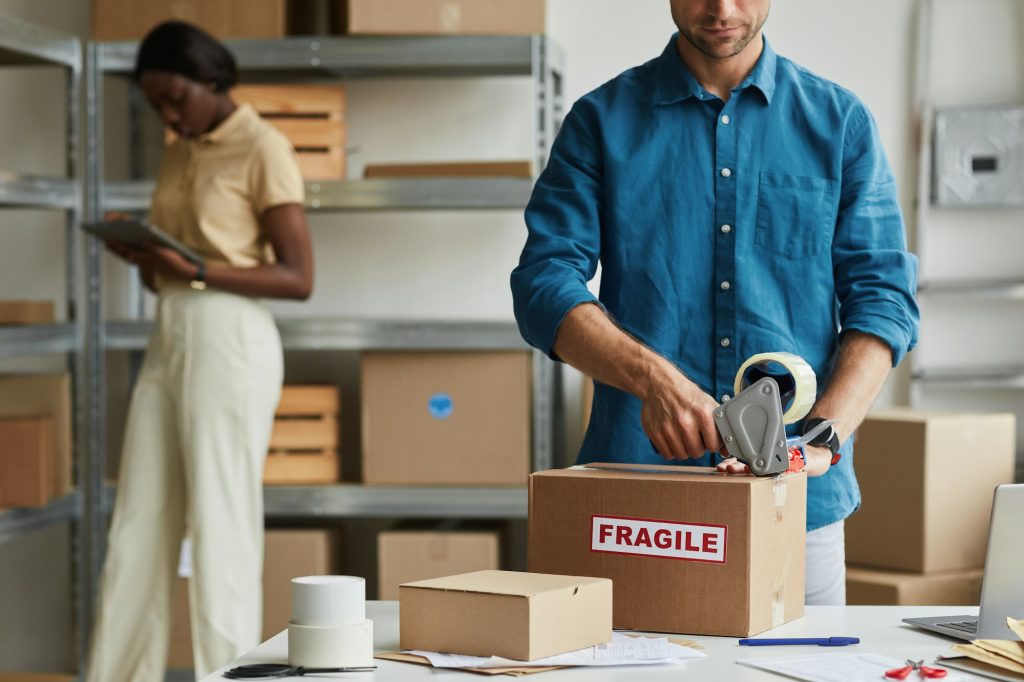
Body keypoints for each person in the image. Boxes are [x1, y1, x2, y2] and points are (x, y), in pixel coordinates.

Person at [511, 0, 919, 605]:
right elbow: (543, 283)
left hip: (796, 502)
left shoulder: (840, 123)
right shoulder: (599, 121)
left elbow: (884, 300)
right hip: (637, 499)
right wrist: (654, 380)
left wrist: (820, 441)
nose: (721, 9)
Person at [86, 21, 313, 680]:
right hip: (171, 331)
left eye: (176, 99)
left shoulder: (263, 147)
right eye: (156, 104)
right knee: (137, 526)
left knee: (220, 529)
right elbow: (177, 264)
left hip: (230, 340)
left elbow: (299, 277)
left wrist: (192, 272)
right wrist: (143, 257)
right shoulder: (178, 149)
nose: (169, 115)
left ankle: (226, 675)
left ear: (211, 80)